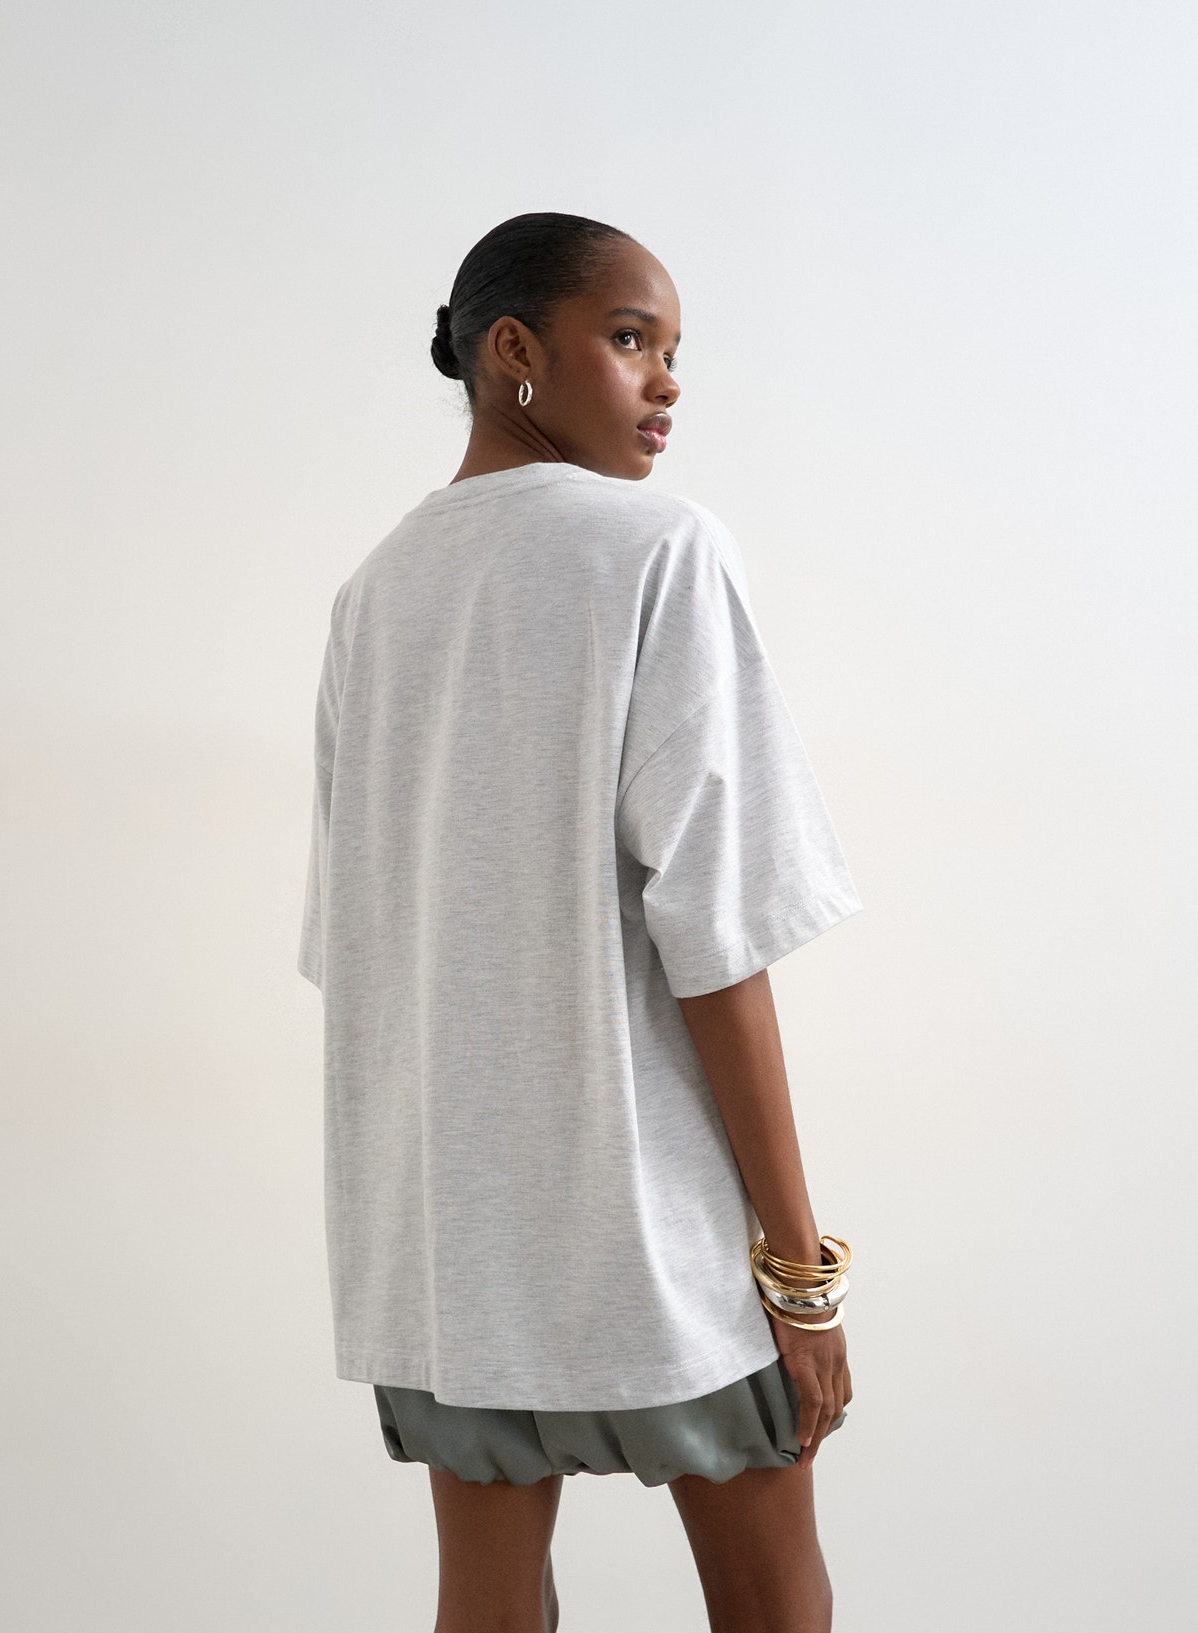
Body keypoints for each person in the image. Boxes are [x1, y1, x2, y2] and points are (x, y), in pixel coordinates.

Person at [298, 211, 863, 1633]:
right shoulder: (659, 549)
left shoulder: (374, 595)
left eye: (672, 351)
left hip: (444, 1242)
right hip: (652, 1234)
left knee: (488, 1611)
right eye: (628, 338)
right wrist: (799, 1274)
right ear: (514, 351)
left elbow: (356, 951)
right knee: (775, 1603)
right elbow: (720, 940)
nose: (666, 381)